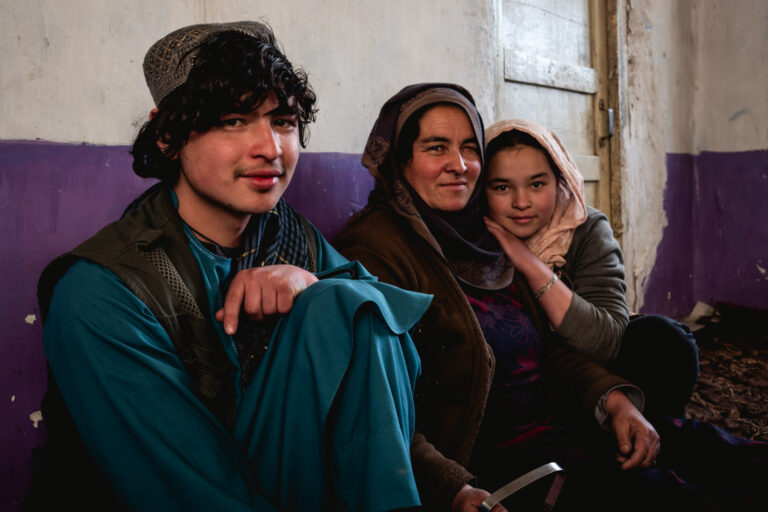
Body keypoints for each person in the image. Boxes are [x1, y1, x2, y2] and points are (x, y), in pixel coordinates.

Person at [25, 22, 429, 512]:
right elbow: (188, 490)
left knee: (349, 303)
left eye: (283, 120)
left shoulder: (290, 236)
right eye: (233, 120)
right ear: (169, 134)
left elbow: (380, 356)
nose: (271, 148)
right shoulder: (100, 290)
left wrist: (309, 282)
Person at [334, 84, 768, 511]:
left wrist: (613, 401)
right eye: (435, 148)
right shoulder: (377, 251)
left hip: (565, 425)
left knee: (717, 451)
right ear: (400, 159)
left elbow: (545, 349)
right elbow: (375, 404)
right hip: (501, 463)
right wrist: (451, 487)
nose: (460, 165)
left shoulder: (481, 238)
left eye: (469, 148)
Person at [482, 119, 699, 419]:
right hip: (528, 378)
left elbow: (607, 342)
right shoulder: (474, 240)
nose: (521, 202)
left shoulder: (585, 228)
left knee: (666, 342)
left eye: (536, 184)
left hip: (591, 362)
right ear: (483, 189)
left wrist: (530, 264)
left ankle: (653, 434)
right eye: (502, 187)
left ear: (560, 180)